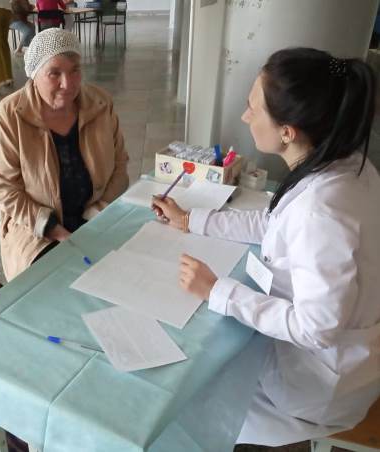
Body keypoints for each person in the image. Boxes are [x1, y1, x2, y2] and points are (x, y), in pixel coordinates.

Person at [152, 48, 380, 446]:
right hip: (340, 354)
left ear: (287, 131)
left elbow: (316, 328)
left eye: (252, 107)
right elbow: (273, 223)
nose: (245, 117)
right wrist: (191, 220)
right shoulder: (344, 163)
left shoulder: (321, 210)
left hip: (316, 385)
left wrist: (217, 290)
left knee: (187, 401)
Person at [0, 28, 129, 280]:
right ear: (34, 74)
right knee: (55, 284)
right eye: (54, 73)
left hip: (97, 215)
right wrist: (54, 230)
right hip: (37, 228)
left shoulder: (100, 103)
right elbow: (5, 188)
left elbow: (119, 165)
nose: (68, 84)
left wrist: (98, 214)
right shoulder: (11, 114)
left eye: (75, 70)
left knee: (126, 274)